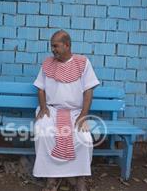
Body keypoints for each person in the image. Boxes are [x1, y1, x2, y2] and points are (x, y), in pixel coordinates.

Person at [33, 30, 100, 191]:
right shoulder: (47, 63)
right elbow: (40, 88)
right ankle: (51, 178)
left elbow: (88, 91)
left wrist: (84, 116)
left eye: (56, 46)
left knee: (85, 138)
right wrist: (42, 108)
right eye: (51, 46)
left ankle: (80, 178)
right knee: (43, 132)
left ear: (67, 45)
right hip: (51, 110)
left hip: (76, 112)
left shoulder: (82, 63)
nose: (52, 49)